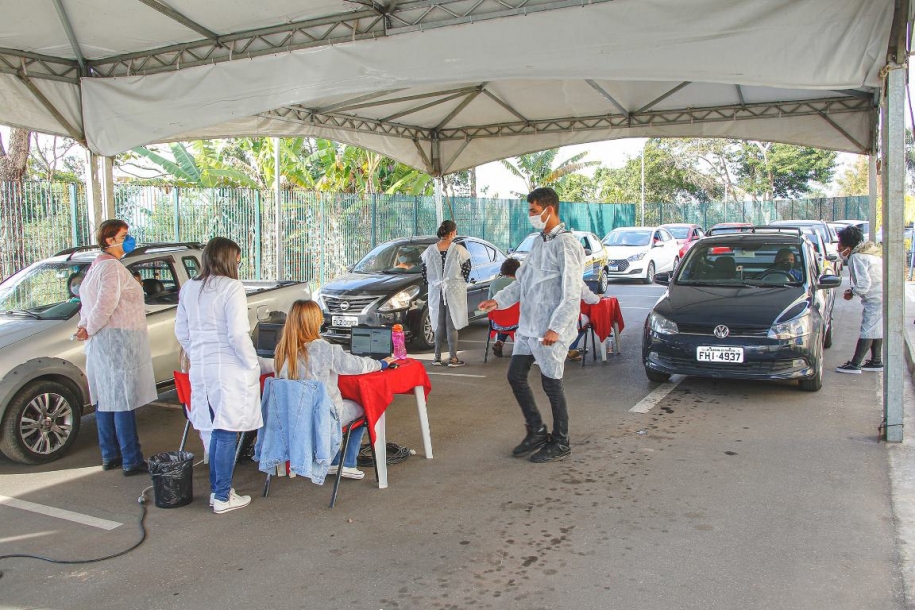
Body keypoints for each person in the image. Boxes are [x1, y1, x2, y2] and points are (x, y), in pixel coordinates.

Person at [479, 187, 585, 463]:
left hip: (549, 329)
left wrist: (557, 327)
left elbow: (572, 292)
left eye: (534, 211)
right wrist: (498, 301)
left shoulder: (567, 244)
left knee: (552, 384)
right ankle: (537, 430)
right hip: (528, 327)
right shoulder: (539, 242)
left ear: (549, 209)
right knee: (515, 375)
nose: (531, 216)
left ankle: (561, 441)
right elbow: (522, 282)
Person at [175, 237, 262, 514]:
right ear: (228, 258)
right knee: (226, 430)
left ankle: (218, 491)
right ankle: (222, 495)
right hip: (227, 366)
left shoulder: (190, 287)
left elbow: (181, 331)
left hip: (200, 367)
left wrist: (198, 352)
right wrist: (252, 364)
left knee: (211, 428)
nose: (239, 262)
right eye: (238, 257)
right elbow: (238, 334)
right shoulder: (232, 287)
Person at [274, 300, 397, 479]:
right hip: (322, 418)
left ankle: (333, 460)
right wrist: (382, 363)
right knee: (364, 407)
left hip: (292, 419)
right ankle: (346, 463)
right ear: (313, 321)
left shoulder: (282, 350)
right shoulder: (322, 348)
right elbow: (356, 365)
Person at [75, 220, 156, 476]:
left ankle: (110, 454)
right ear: (110, 240)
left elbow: (88, 305)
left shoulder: (97, 267)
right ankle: (131, 459)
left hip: (103, 341)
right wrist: (88, 327)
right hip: (117, 340)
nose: (129, 239)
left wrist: (85, 325)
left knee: (106, 399)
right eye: (124, 235)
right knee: (122, 400)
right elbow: (105, 305)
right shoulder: (111, 268)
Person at [421, 220, 472, 367]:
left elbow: (424, 273)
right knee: (452, 325)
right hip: (454, 291)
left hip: (436, 291)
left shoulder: (430, 250)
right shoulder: (459, 250)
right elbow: (466, 270)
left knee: (437, 324)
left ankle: (436, 357)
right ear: (452, 232)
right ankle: (453, 358)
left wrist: (434, 281)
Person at [835, 225, 883, 373]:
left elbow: (864, 284)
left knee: (868, 329)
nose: (838, 246)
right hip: (881, 295)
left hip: (876, 298)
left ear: (848, 245)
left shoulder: (856, 257)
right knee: (875, 328)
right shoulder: (870, 254)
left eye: (840, 242)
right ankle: (876, 361)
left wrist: (852, 292)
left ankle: (855, 364)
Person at [488, 258, 521, 358]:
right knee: (516, 318)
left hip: (496, 324)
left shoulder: (494, 283)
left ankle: (500, 341)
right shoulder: (519, 284)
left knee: (506, 318)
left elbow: (490, 302)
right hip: (516, 323)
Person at [567, 283, 602, 361]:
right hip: (567, 316)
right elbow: (590, 298)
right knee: (585, 321)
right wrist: (598, 298)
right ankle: (571, 348)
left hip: (543, 316)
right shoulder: (575, 278)